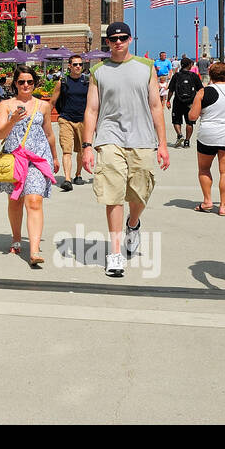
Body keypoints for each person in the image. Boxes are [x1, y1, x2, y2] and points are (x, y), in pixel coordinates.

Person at [82, 22, 170, 278]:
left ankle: (134, 224)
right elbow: (92, 110)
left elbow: (155, 106)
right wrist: (87, 146)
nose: (117, 42)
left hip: (142, 138)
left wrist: (162, 143)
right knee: (113, 193)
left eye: (122, 38)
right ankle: (115, 252)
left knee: (140, 191)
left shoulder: (146, 67)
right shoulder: (98, 71)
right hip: (109, 138)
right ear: (107, 42)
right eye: (112, 39)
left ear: (130, 39)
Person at [0, 65, 60, 266]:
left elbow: (49, 134)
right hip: (15, 159)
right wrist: (12, 120)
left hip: (38, 159)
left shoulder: (43, 106)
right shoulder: (6, 105)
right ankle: (16, 237)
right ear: (15, 83)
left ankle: (33, 250)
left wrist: (55, 157)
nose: (25, 85)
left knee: (34, 201)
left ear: (35, 83)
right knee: (15, 202)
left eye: (29, 82)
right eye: (21, 81)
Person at [187, 61, 225, 215]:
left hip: (208, 134)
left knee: (204, 169)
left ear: (210, 75)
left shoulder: (203, 92)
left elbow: (192, 116)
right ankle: (223, 207)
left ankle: (207, 201)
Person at [49, 54, 90, 190]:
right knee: (67, 150)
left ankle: (78, 174)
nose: (78, 67)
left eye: (80, 64)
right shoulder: (63, 82)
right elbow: (53, 101)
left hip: (83, 121)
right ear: (70, 66)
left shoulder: (87, 82)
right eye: (75, 64)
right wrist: (45, 119)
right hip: (65, 119)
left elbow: (94, 103)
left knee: (82, 151)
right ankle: (67, 179)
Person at [167, 56, 203, 148]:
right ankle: (187, 141)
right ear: (190, 65)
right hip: (190, 102)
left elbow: (171, 90)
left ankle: (179, 135)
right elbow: (200, 90)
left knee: (176, 120)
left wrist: (168, 100)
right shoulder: (194, 76)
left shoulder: (176, 75)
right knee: (189, 122)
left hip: (178, 101)